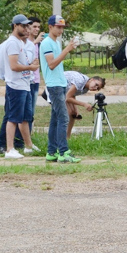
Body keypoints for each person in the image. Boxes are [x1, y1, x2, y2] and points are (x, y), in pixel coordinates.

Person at [40, 14, 81, 163]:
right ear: (50, 27)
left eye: (62, 27)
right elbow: (51, 64)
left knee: (56, 119)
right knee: (63, 118)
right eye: (58, 27)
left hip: (60, 83)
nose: (61, 30)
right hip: (54, 85)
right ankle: (63, 152)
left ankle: (52, 152)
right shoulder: (46, 44)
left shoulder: (54, 42)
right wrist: (67, 50)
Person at [0, 14, 40, 159]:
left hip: (24, 84)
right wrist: (30, 67)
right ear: (15, 26)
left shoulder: (20, 43)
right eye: (23, 26)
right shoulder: (12, 43)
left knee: (24, 118)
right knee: (13, 118)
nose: (26, 28)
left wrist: (31, 65)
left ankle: (28, 146)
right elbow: (14, 65)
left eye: (27, 25)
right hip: (16, 85)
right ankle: (9, 149)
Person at [64, 71, 106, 138]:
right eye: (96, 85)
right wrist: (84, 104)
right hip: (54, 87)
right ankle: (62, 138)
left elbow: (71, 93)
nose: (95, 88)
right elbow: (68, 97)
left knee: (72, 113)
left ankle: (67, 137)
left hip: (64, 92)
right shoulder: (80, 81)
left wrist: (75, 108)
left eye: (97, 88)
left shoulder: (86, 88)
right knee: (67, 114)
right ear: (92, 79)